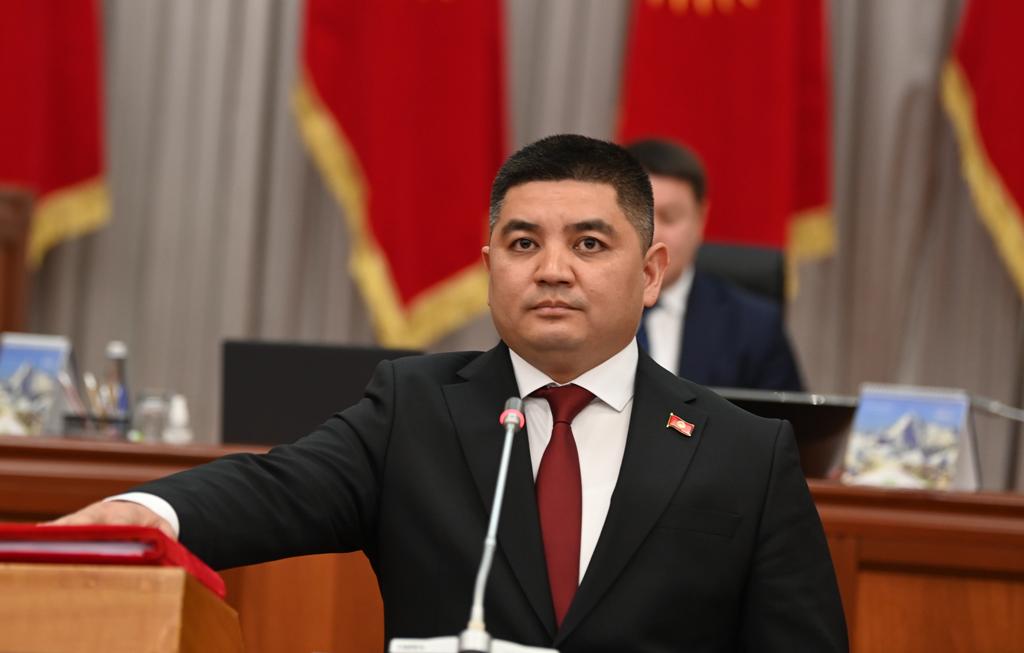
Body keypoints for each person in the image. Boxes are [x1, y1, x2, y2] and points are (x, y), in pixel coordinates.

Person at [54, 134, 846, 652]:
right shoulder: (415, 409)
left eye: (589, 243)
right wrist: (146, 515)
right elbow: (276, 486)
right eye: (523, 242)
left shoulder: (745, 453)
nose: (553, 269)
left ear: (650, 274)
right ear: (491, 265)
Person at [625, 138, 805, 391]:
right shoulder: (579, 308)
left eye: (669, 217)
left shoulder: (754, 327)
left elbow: (786, 416)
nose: (653, 234)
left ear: (701, 219)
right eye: (641, 216)